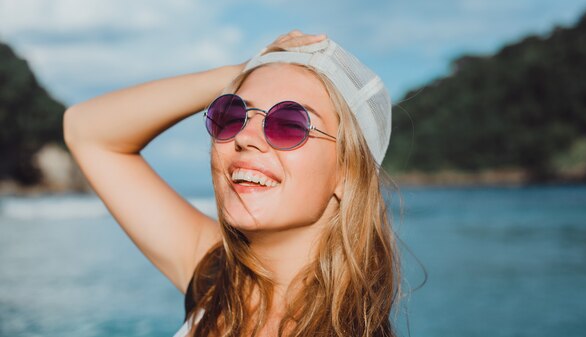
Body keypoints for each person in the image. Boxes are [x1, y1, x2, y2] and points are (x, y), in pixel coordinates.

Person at [63, 30, 399, 337]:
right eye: (233, 113)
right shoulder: (217, 278)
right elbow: (85, 130)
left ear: (347, 172)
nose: (246, 136)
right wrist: (241, 72)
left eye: (289, 123)